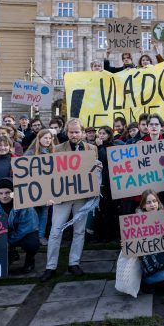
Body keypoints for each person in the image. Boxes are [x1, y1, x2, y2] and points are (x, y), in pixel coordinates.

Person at [42, 118, 98, 281]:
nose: (74, 135)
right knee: (55, 231)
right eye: (71, 132)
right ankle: (50, 266)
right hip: (62, 197)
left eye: (77, 132)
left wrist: (97, 168)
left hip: (82, 197)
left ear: (82, 132)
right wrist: (48, 195)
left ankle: (74, 263)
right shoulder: (57, 149)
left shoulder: (92, 148)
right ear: (66, 132)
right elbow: (49, 173)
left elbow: (94, 172)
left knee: (79, 231)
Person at [0, 178, 39, 273]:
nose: (4, 196)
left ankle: (30, 260)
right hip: (5, 233)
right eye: (0, 193)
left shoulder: (25, 205)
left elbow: (25, 228)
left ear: (13, 193)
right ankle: (11, 254)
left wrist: (9, 242)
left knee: (32, 243)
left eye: (8, 192)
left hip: (25, 232)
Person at [24, 129, 57, 246]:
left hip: (48, 187)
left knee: (45, 212)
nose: (48, 140)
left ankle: (41, 236)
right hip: (33, 187)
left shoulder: (53, 152)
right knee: (32, 212)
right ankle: (32, 235)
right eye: (45, 138)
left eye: (49, 138)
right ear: (39, 139)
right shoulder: (30, 153)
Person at [95, 126, 123, 243]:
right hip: (99, 182)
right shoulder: (95, 147)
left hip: (109, 183)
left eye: (104, 133)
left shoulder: (113, 146)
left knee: (109, 210)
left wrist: (100, 146)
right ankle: (99, 234)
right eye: (100, 133)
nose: (101, 136)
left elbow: (104, 159)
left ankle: (108, 235)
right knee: (99, 210)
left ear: (109, 135)